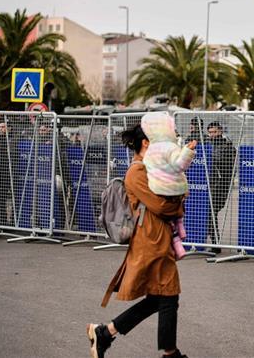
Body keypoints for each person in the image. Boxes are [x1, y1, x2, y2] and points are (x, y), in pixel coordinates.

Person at [88, 122, 193, 358]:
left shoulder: (150, 169)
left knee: (160, 298)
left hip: (157, 238)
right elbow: (160, 206)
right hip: (150, 241)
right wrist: (178, 201)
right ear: (146, 143)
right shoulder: (137, 172)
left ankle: (105, 333)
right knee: (168, 295)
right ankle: (169, 353)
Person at [142, 112, 197, 260]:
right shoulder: (169, 147)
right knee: (175, 215)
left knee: (167, 222)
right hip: (173, 189)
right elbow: (180, 165)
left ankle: (177, 237)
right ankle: (179, 238)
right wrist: (188, 150)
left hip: (156, 189)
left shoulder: (151, 148)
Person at [205, 121, 235, 252]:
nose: (212, 135)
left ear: (221, 131)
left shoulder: (228, 146)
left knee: (212, 211)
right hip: (207, 184)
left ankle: (215, 243)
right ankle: (213, 241)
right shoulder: (205, 145)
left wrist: (212, 159)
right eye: (210, 132)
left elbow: (229, 166)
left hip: (221, 185)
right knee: (208, 212)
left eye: (214, 132)